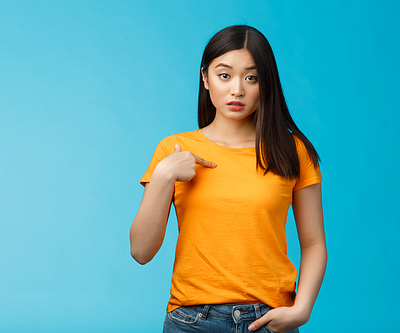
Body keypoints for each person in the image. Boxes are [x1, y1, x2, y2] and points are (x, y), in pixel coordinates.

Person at [130, 25, 327, 333]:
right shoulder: (173, 150)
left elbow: (314, 242)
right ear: (205, 78)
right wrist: (164, 175)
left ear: (267, 84)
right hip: (191, 321)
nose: (238, 89)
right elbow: (141, 252)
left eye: (252, 77)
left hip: (268, 320)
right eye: (225, 75)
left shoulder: (293, 151)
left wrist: (302, 309)